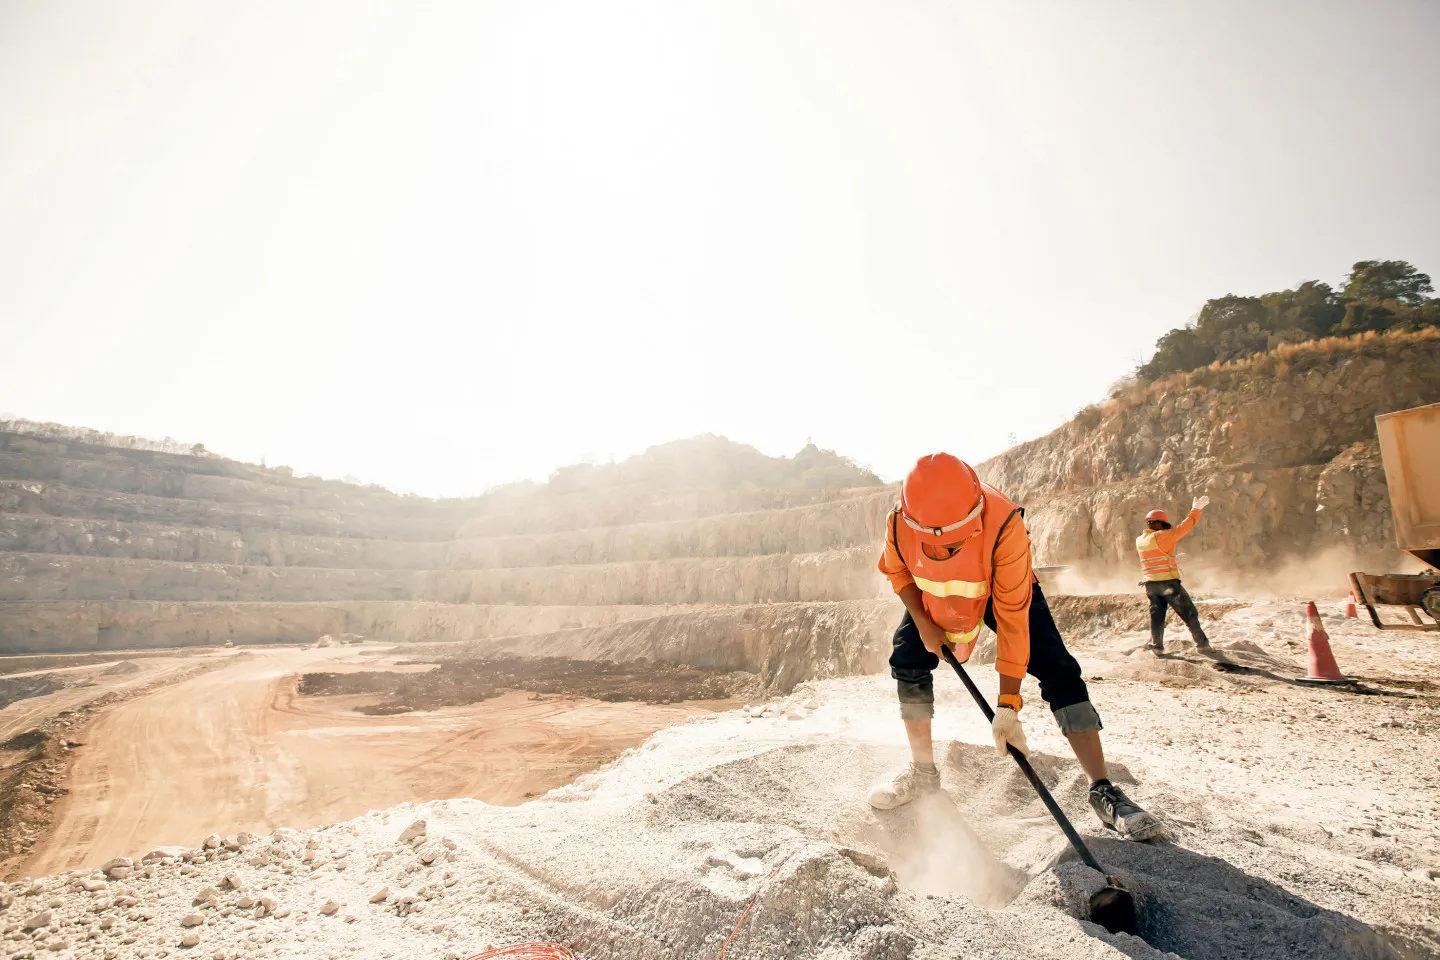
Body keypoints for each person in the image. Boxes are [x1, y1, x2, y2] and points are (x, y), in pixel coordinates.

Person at [867, 453, 1160, 841]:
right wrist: (923, 625)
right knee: (907, 659)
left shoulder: (1004, 525)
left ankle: (1103, 790)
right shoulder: (898, 521)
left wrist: (1008, 705)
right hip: (935, 596)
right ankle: (923, 774)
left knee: (1058, 670)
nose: (948, 551)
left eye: (957, 542)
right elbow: (898, 570)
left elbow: (1012, 622)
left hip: (1000, 588)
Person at [1137, 497, 1211, 653]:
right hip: (1168, 584)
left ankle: (1157, 647)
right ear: (1158, 524)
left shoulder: (1141, 540)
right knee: (1189, 612)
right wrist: (1196, 510)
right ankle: (1202, 644)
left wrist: (1170, 558)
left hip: (1151, 585)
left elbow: (1157, 555)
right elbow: (1184, 527)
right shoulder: (1161, 536)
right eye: (1163, 525)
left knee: (1157, 617)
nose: (1165, 528)